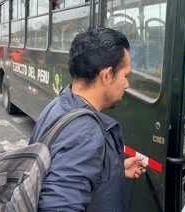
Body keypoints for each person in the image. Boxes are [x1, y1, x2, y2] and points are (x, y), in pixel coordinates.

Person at [29, 27, 147, 211]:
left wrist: (114, 171)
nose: (127, 84)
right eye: (125, 76)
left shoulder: (60, 103)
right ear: (107, 75)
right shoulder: (84, 133)